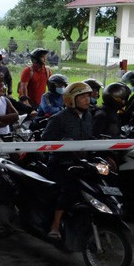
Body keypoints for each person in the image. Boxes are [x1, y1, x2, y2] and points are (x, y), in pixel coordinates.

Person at [41, 82, 94, 239]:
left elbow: (89, 138)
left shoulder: (88, 116)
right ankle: (55, 225)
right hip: (61, 164)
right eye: (83, 97)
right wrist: (63, 143)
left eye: (88, 96)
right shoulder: (59, 119)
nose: (87, 100)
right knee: (69, 188)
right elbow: (45, 140)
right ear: (71, 100)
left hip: (82, 163)